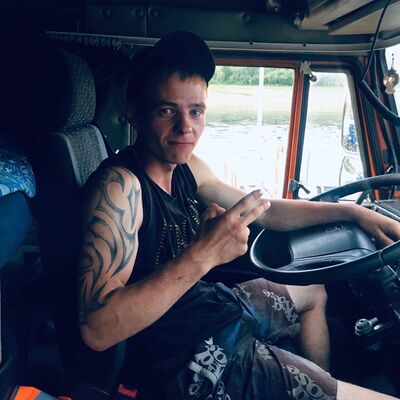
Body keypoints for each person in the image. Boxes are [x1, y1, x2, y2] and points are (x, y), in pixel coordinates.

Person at [78, 31, 400, 400]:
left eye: (196, 111)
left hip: (212, 310)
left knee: (312, 291)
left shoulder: (184, 167)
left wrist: (352, 212)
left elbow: (268, 212)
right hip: (191, 361)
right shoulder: (119, 187)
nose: (186, 127)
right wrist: (205, 254)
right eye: (167, 111)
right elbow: (96, 329)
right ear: (133, 113)